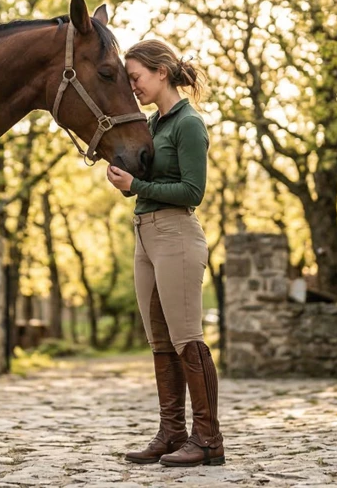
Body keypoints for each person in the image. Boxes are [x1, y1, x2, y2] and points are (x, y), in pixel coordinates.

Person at [106, 39, 224, 467]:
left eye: (135, 77)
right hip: (145, 235)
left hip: (176, 233)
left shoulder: (188, 123)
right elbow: (147, 179)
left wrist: (135, 187)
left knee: (187, 338)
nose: (132, 85)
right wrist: (124, 175)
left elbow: (193, 191)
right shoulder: (153, 125)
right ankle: (172, 433)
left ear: (161, 72)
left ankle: (209, 439)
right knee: (160, 342)